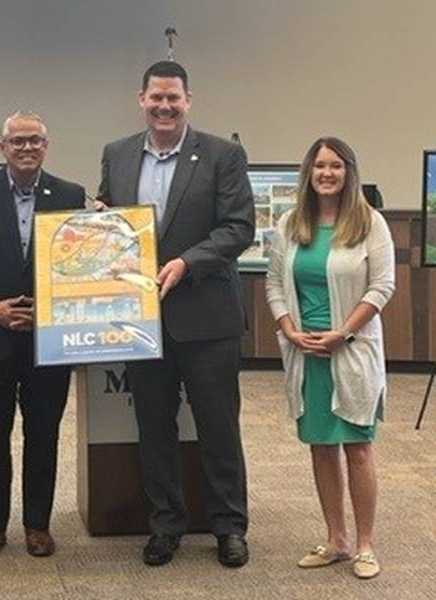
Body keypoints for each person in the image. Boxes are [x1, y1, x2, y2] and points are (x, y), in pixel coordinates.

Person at [96, 61, 255, 567]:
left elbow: (238, 228)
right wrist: (100, 217)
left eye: (174, 98)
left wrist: (188, 262)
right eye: (155, 98)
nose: (164, 106)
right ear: (140, 99)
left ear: (190, 100)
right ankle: (166, 524)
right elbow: (111, 211)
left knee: (218, 427)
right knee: (154, 426)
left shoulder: (222, 155)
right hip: (140, 320)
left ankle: (229, 525)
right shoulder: (117, 154)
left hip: (207, 317)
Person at [0, 111, 85, 560]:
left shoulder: (69, 194)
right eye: (18, 141)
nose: (27, 148)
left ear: (47, 146)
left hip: (49, 340)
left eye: (36, 141)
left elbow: (80, 261)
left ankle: (37, 525)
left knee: (43, 433)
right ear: (2, 147)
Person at [265, 137, 394, 579]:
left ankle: (364, 545)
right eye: (319, 166)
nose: (326, 173)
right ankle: (336, 539)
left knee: (358, 447)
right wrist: (289, 330)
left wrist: (342, 332)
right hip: (307, 354)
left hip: (352, 350)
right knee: (321, 447)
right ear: (309, 173)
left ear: (348, 172)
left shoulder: (370, 223)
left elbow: (382, 288)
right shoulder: (289, 223)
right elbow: (275, 286)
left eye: (335, 166)